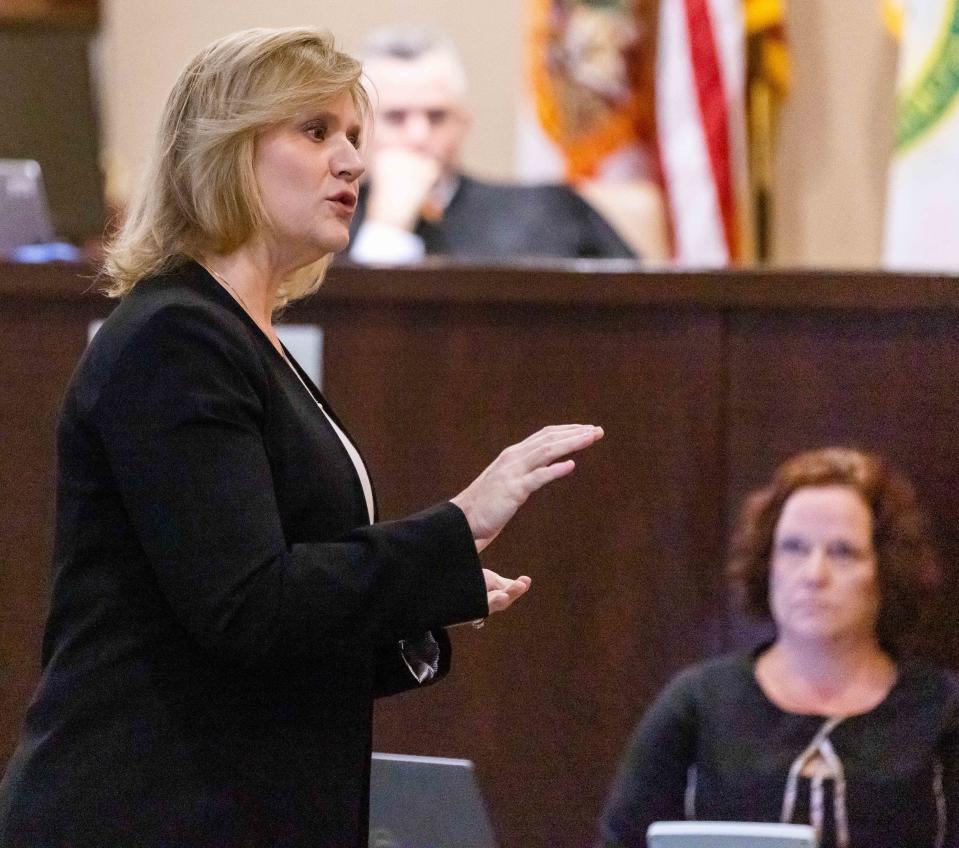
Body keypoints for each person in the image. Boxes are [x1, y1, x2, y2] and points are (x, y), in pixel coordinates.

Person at [0, 27, 604, 848]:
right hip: (150, 810)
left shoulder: (243, 337)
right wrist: (452, 531)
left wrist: (425, 592)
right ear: (222, 152)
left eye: (353, 136)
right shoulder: (174, 339)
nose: (354, 161)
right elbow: (247, 605)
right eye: (315, 132)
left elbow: (271, 610)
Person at [597, 448, 959, 848]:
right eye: (793, 548)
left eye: (842, 552)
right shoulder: (698, 704)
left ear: (886, 568)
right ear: (767, 564)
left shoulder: (943, 710)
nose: (813, 574)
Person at [347, 26, 639, 265]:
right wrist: (386, 228)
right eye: (396, 118)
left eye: (437, 116)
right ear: (360, 130)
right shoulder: (325, 223)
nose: (419, 136)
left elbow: (645, 310)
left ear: (464, 123)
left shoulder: (549, 211)